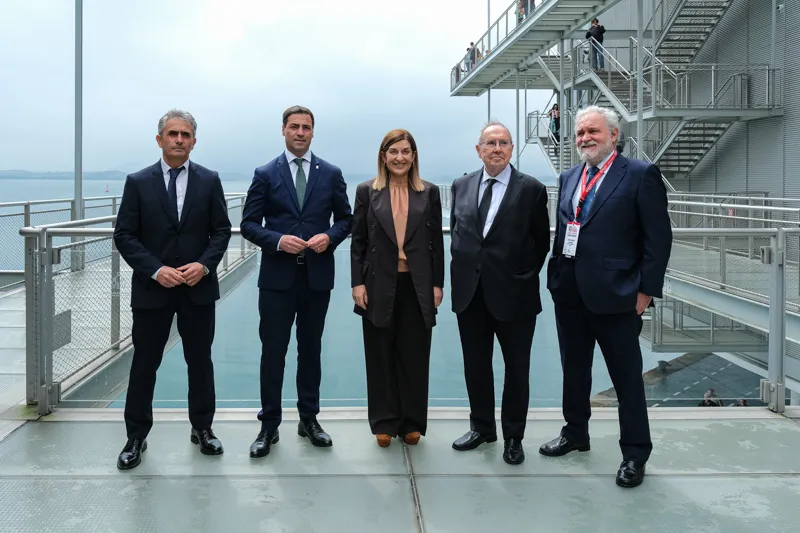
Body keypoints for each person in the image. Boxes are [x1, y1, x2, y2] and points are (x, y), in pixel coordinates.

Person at [542, 105, 672, 488]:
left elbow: (658, 239)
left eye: (592, 132)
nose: (585, 138)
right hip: (570, 294)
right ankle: (575, 433)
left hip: (618, 297)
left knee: (627, 379)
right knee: (574, 371)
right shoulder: (569, 176)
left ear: (614, 135)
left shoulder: (639, 175)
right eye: (580, 133)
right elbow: (565, 230)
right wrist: (555, 278)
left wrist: (647, 290)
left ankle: (635, 454)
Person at [113, 109, 232, 470]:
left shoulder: (209, 180)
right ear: (160, 139)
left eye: (185, 135)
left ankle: (203, 429)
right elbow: (125, 235)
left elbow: (222, 231)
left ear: (194, 141)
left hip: (197, 289)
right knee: (145, 364)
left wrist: (204, 264)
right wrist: (155, 270)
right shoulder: (137, 182)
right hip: (154, 290)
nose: (179, 140)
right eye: (172, 134)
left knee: (200, 363)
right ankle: (136, 436)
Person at [240, 105, 352, 458]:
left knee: (311, 351)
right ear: (284, 131)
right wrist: (276, 240)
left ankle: (309, 419)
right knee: (273, 353)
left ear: (313, 132)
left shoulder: (331, 173)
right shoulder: (265, 173)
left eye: (306, 127)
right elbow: (248, 224)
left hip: (316, 277)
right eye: (294, 127)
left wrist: (329, 238)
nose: (300, 132)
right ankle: (269, 425)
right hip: (277, 278)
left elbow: (347, 220)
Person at [449, 122, 551, 465]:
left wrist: (520, 276)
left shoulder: (532, 189)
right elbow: (461, 237)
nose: (497, 148)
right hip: (470, 295)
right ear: (478, 150)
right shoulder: (461, 185)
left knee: (516, 370)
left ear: (511, 149)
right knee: (475, 366)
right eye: (490, 143)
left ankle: (513, 437)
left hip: (515, 296)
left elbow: (542, 244)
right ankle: (481, 428)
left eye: (503, 143)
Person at [350, 129, 445, 448]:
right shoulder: (366, 191)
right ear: (383, 156)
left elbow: (436, 245)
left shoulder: (429, 192)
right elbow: (358, 242)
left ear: (414, 156)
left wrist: (437, 284)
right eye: (394, 152)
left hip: (417, 284)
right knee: (379, 355)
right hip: (377, 283)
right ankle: (384, 422)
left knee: (415, 355)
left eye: (406, 151)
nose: (400, 157)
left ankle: (412, 423)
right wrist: (357, 283)